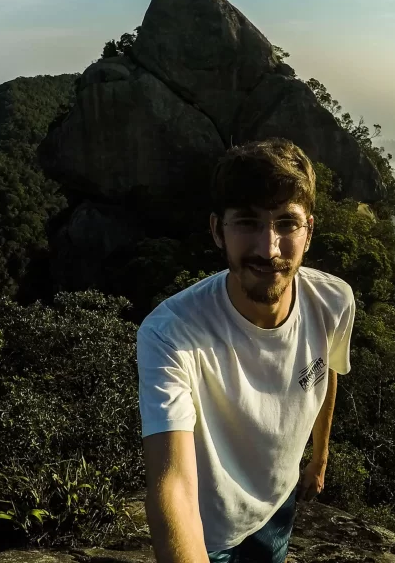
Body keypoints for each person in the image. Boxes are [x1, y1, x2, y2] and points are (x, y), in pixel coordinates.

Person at [137, 138, 356, 563]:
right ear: (218, 230)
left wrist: (319, 459)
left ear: (309, 230)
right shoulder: (171, 333)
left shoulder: (333, 301)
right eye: (248, 222)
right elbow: (172, 486)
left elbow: (327, 372)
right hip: (209, 531)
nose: (268, 248)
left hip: (278, 508)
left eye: (286, 224)